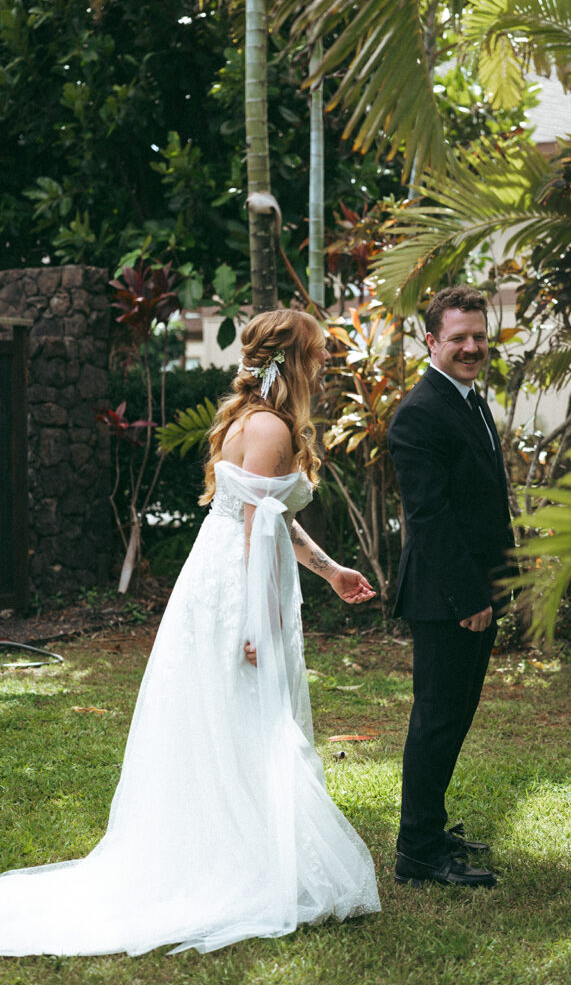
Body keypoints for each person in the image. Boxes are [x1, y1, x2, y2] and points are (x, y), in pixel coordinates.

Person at [0, 309, 380, 957]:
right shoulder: (269, 428)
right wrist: (253, 622)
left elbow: (270, 519)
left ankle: (241, 844)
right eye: (317, 354)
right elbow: (253, 535)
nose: (324, 364)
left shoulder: (247, 420)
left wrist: (329, 570)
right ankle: (238, 863)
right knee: (244, 721)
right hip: (232, 592)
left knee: (228, 722)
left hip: (216, 586)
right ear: (293, 360)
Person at [387, 286, 516, 890]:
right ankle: (416, 849)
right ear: (431, 341)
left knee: (456, 715)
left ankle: (431, 830)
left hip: (477, 591)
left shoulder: (467, 397)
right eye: (458, 337)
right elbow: (430, 519)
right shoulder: (419, 413)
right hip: (447, 598)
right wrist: (470, 599)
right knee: (437, 719)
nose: (471, 347)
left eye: (478, 336)